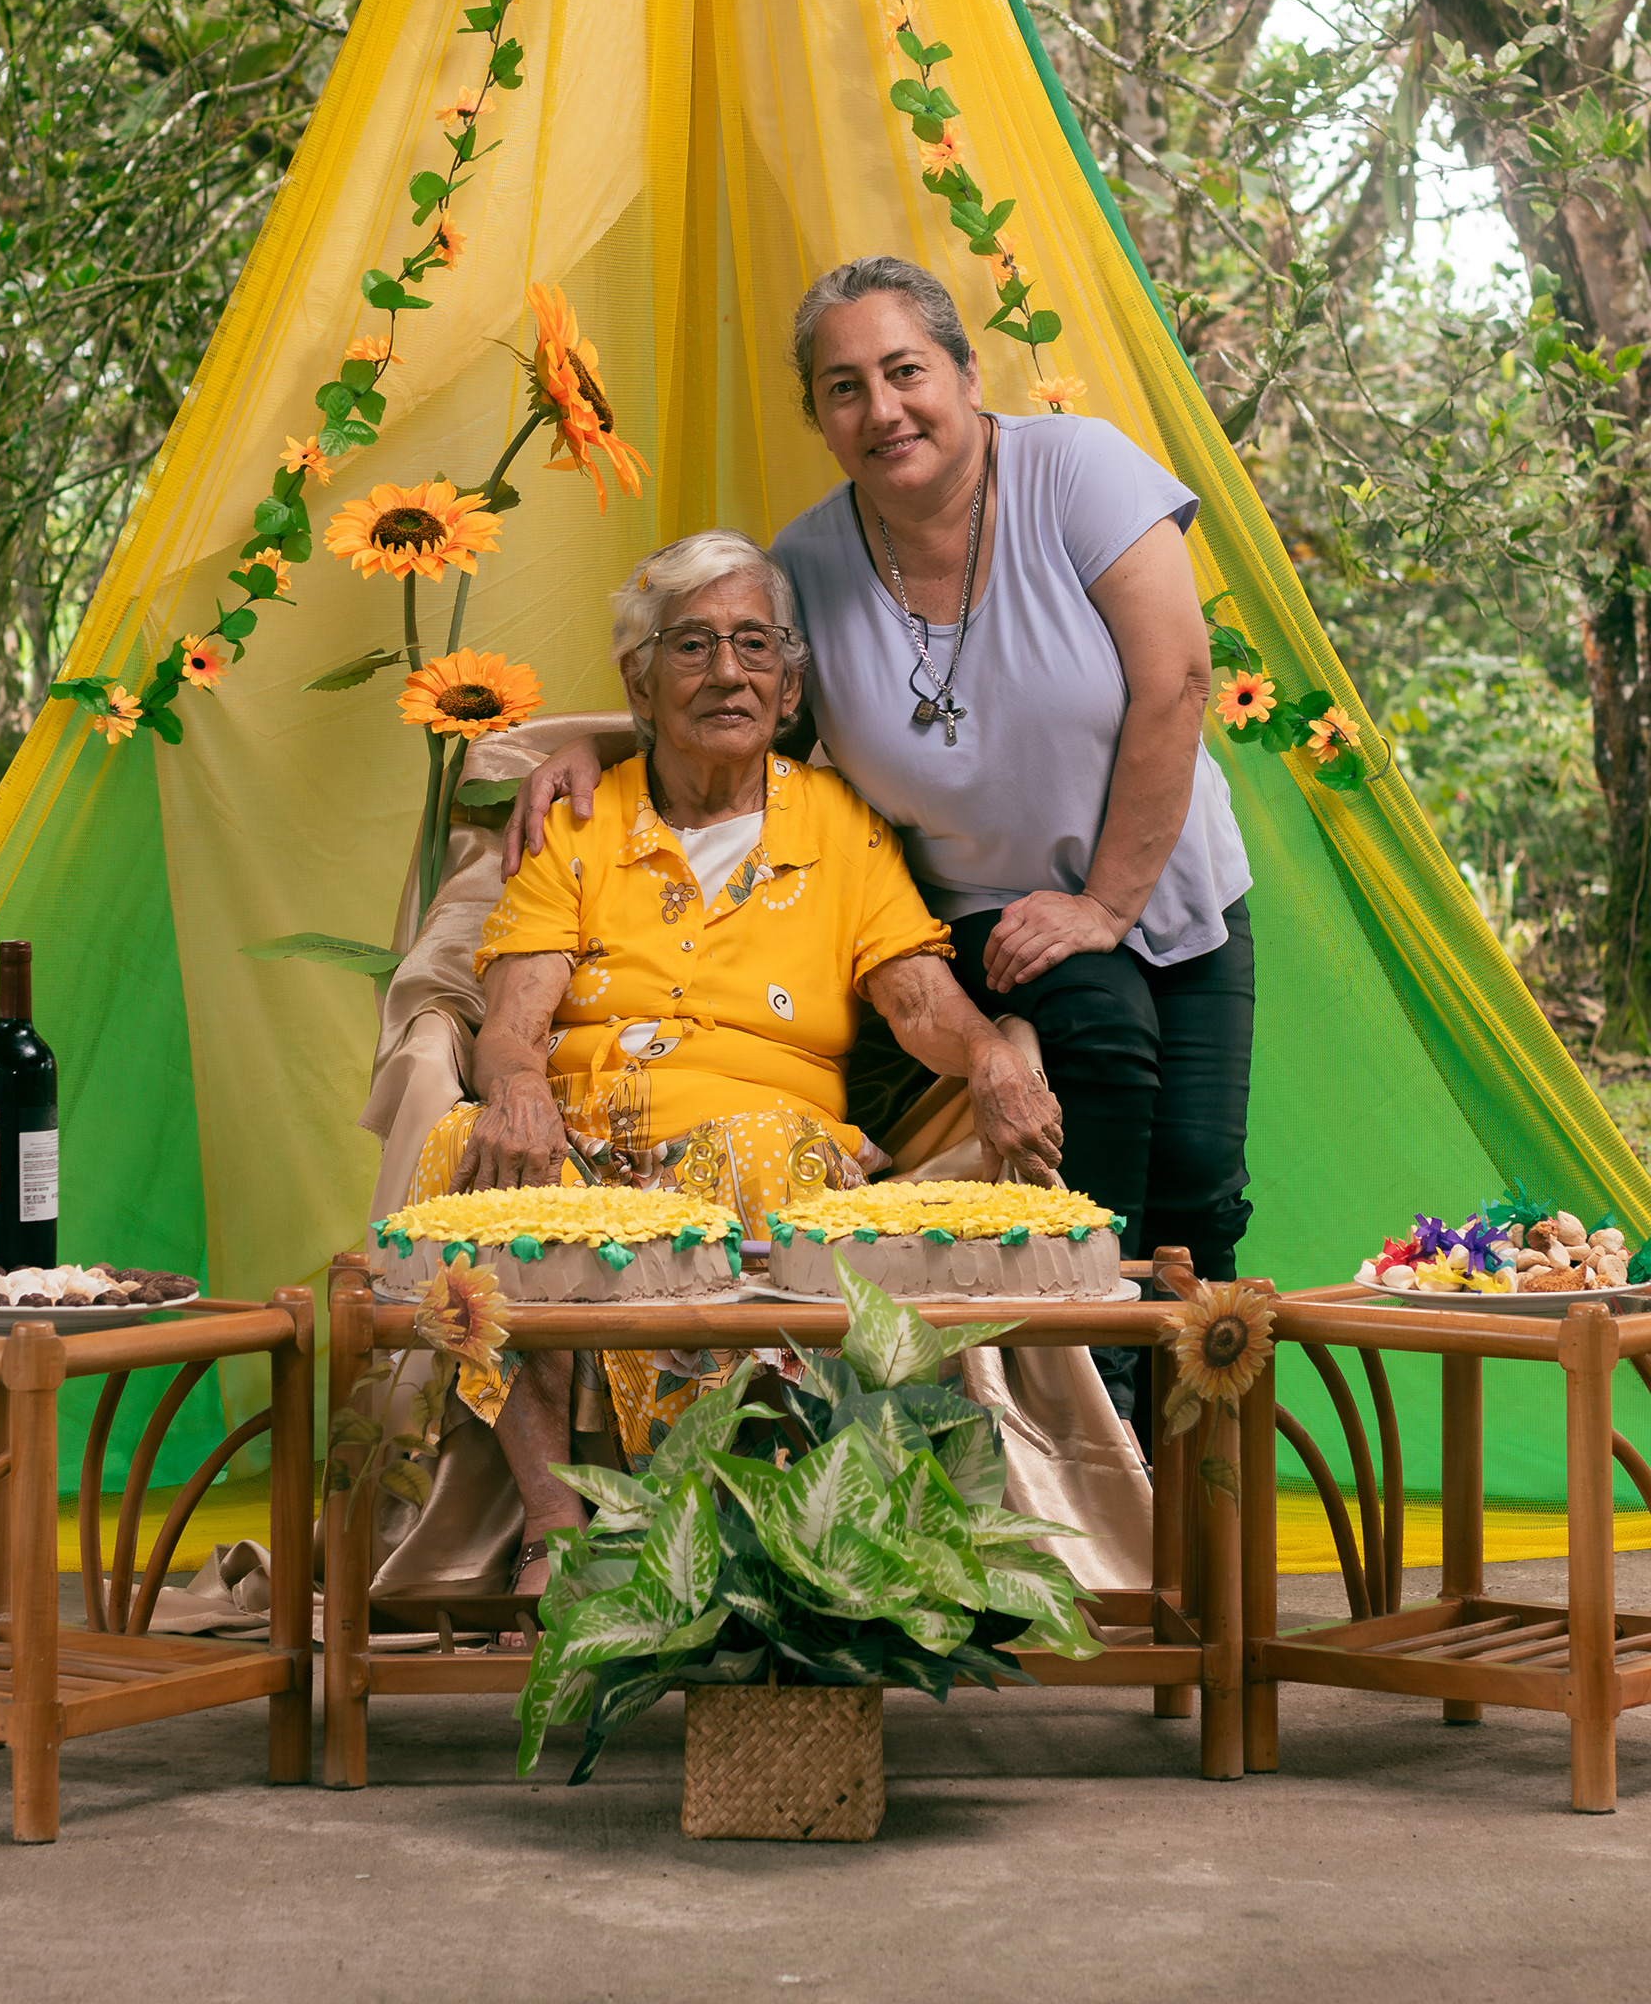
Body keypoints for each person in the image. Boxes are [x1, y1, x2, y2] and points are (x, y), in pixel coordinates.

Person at [506, 256, 1256, 1420]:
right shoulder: (808, 564)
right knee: (1101, 1051)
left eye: (906, 371)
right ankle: (1101, 1423)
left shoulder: (1079, 470)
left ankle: (1197, 1469)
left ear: (965, 373)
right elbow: (733, 692)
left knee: (1202, 1185)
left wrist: (1106, 907)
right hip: (987, 917)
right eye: (844, 387)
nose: (883, 408)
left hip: (1160, 885)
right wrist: (585, 753)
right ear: (819, 416)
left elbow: (1179, 683)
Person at [407, 524, 1062, 1589]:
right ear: (640, 679)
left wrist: (990, 1053)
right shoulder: (582, 822)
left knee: (753, 1150)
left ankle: (708, 1512)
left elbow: (917, 998)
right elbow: (514, 1020)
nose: (727, 672)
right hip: (579, 1137)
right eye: (693, 644)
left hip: (760, 1137)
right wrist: (517, 1089)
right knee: (467, 1151)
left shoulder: (840, 826)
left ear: (790, 687)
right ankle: (554, 1523)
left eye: (755, 645)